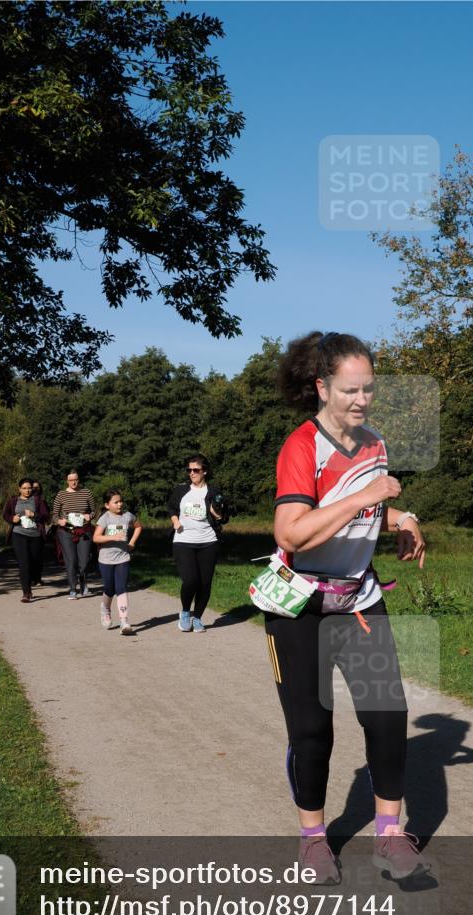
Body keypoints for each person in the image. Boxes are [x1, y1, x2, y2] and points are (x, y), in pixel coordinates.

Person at [267, 331, 426, 884]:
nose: (361, 401)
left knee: (388, 715)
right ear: (321, 387)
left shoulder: (374, 443)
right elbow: (292, 532)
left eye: (368, 390)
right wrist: (365, 497)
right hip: (299, 608)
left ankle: (388, 833)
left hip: (359, 601)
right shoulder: (302, 447)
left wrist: (404, 521)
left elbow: (368, 513)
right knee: (313, 729)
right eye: (349, 390)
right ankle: (313, 839)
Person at [167, 454, 229, 633]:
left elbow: (224, 517)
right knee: (191, 580)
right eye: (189, 470)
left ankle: (198, 618)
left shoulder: (214, 492)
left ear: (205, 472)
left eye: (196, 470)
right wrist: (175, 521)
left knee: (205, 583)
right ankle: (185, 612)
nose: (191, 473)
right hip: (183, 540)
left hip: (208, 541)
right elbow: (171, 506)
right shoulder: (181, 490)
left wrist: (217, 515)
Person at [93, 489, 143, 635]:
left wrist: (132, 542)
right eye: (116, 502)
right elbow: (96, 538)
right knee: (109, 589)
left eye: (121, 501)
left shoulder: (128, 516)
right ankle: (106, 609)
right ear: (107, 505)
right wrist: (113, 537)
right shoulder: (105, 518)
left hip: (123, 557)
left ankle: (124, 621)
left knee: (121, 588)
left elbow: (138, 526)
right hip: (106, 559)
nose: (120, 504)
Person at [50, 469, 96, 599]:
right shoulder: (61, 494)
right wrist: (59, 521)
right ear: (67, 481)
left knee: (85, 560)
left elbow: (93, 511)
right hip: (66, 532)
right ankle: (72, 589)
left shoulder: (86, 492)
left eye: (75, 479)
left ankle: (83, 584)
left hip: (84, 531)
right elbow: (54, 514)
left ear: (78, 480)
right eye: (71, 480)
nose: (73, 482)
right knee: (71, 561)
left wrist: (89, 516)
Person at [1, 478, 49, 602]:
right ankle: (26, 592)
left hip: (35, 535)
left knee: (33, 563)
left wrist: (34, 515)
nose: (27, 490)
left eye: (29, 488)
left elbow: (46, 516)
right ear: (19, 489)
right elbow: (5, 514)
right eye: (24, 488)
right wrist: (12, 519)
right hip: (18, 534)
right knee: (24, 563)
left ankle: (33, 579)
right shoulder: (13, 501)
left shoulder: (38, 500)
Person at [29, 480, 48, 585]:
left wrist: (35, 515)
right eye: (33, 487)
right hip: (23, 531)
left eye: (37, 487)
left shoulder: (41, 501)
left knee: (38, 556)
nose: (35, 489)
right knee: (27, 556)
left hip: (38, 531)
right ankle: (29, 577)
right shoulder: (21, 500)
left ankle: (37, 577)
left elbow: (45, 515)